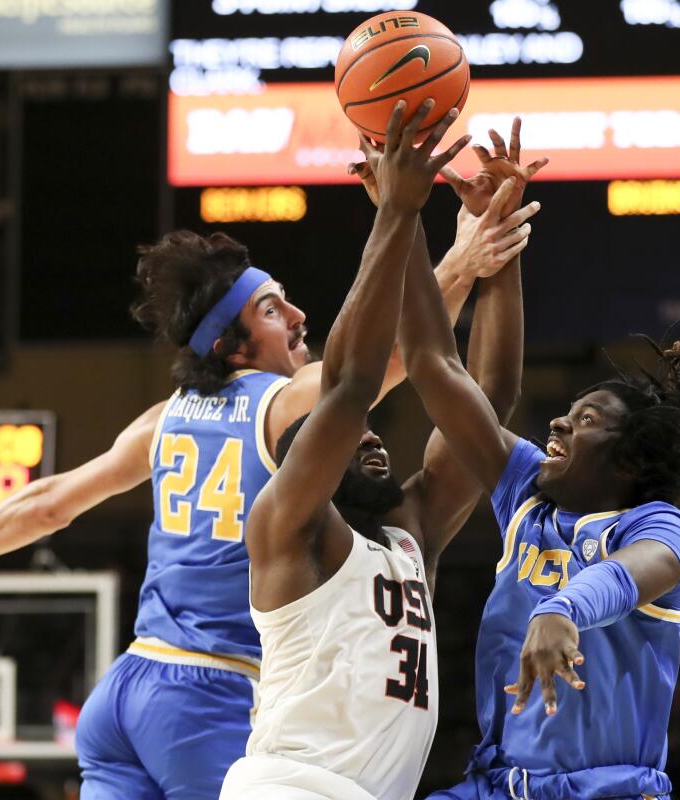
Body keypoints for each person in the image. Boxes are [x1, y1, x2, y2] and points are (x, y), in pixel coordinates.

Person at [0, 118, 533, 800]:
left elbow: (49, 502)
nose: (298, 315)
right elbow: (388, 363)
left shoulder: (165, 419)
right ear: (230, 346)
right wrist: (460, 262)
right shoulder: (278, 404)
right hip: (211, 693)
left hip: (127, 687)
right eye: (274, 311)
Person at [219, 101, 540, 800]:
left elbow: (488, 397)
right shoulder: (288, 528)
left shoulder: (410, 534)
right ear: (308, 463)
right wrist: (396, 213)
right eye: (349, 437)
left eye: (372, 436)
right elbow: (349, 386)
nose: (371, 439)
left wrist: (499, 250)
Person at [398, 179, 680, 797]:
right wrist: (483, 233)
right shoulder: (525, 493)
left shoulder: (659, 526)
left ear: (628, 461)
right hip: (496, 784)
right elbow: (443, 370)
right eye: (566, 412)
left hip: (606, 788)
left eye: (585, 421)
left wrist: (561, 609)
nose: (557, 421)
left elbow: (627, 574)